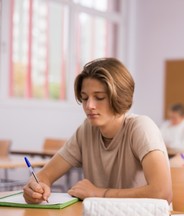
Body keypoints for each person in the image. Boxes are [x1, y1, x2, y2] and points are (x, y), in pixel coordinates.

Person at [23, 57, 172, 204]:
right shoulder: (86, 130)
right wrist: (35, 187)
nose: (89, 106)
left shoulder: (141, 128)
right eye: (85, 98)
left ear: (120, 97)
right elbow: (45, 175)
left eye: (99, 97)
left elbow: (162, 192)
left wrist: (98, 193)